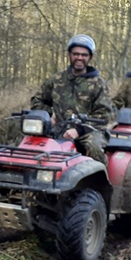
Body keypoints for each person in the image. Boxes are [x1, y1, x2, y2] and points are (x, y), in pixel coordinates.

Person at [30, 34, 115, 164]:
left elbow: (104, 115)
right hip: (58, 128)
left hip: (89, 132)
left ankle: (98, 182)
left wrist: (79, 130)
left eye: (84, 55)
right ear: (69, 55)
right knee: (30, 143)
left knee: (94, 148)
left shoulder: (98, 84)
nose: (79, 58)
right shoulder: (57, 79)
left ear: (90, 57)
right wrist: (49, 113)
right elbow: (37, 100)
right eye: (75, 54)